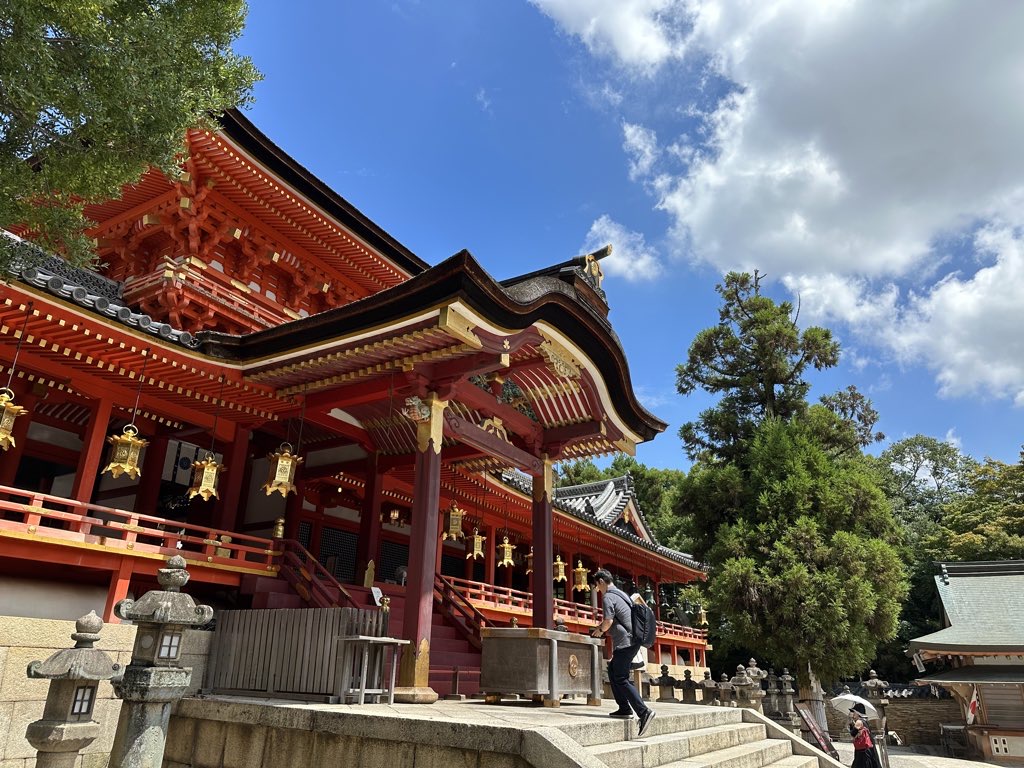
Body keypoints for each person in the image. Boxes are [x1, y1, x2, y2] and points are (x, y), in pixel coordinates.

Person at [590, 569, 656, 737]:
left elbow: (608, 621)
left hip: (626, 642)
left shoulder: (608, 597)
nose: (598, 589)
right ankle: (624, 708)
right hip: (632, 640)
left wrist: (599, 630)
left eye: (597, 585)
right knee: (613, 670)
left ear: (601, 582)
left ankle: (643, 712)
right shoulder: (622, 594)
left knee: (621, 677)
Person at [848, 704, 882, 768]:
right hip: (867, 748)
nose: (853, 714)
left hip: (862, 750)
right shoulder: (865, 721)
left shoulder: (859, 722)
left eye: (854, 712)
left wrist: (850, 724)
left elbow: (853, 733)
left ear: (858, 713)